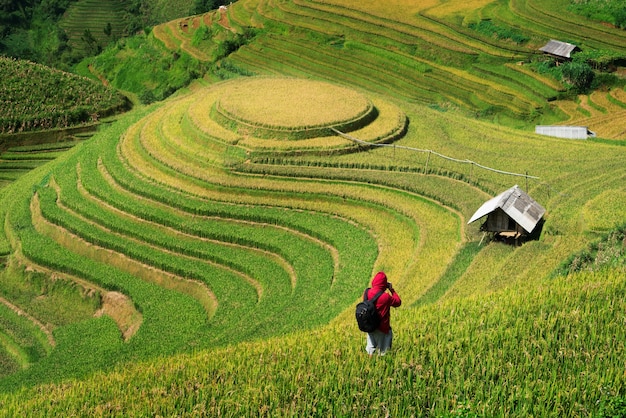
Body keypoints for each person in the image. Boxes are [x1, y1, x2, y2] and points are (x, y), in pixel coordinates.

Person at [364, 271, 401, 356]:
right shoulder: (385, 297)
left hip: (370, 326)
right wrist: (391, 289)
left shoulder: (366, 292)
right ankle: (382, 367)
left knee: (371, 350)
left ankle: (369, 366)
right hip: (382, 328)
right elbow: (398, 302)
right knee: (383, 353)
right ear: (384, 284)